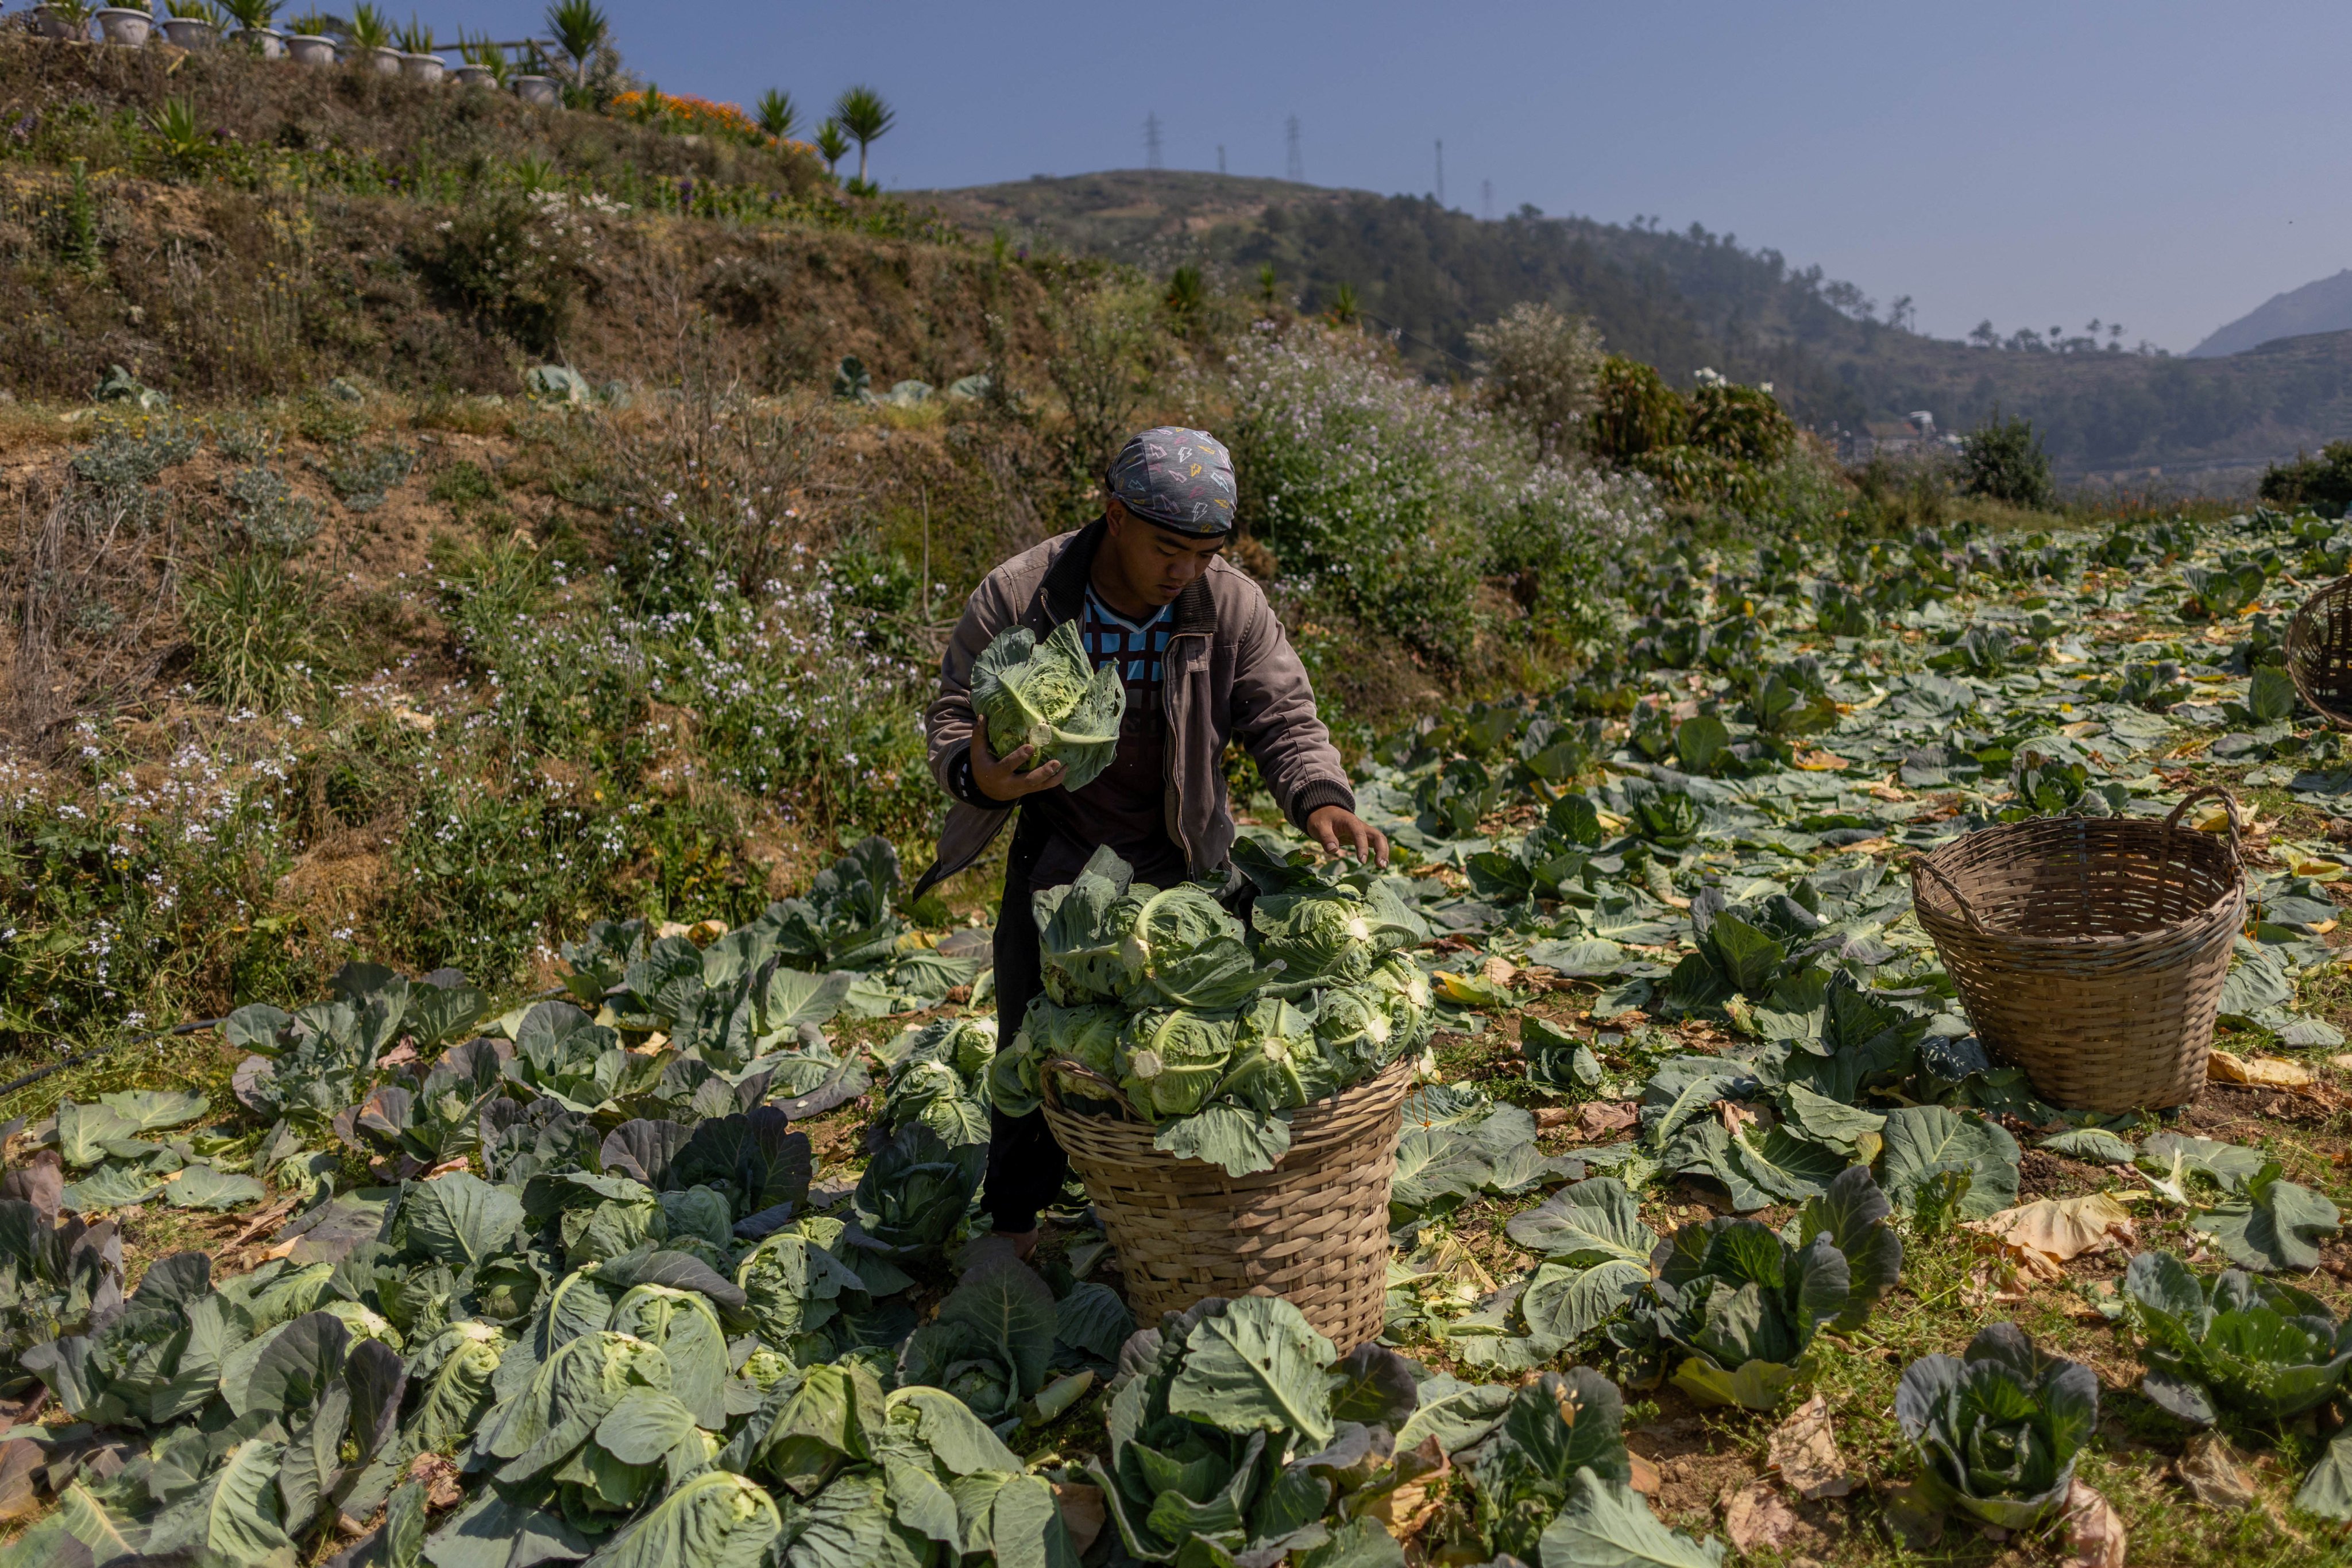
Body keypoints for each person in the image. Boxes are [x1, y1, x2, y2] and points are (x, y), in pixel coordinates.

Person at [912, 427, 1388, 1254]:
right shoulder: (1024, 594)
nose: (1186, 571)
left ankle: (1169, 1217)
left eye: (1206, 553)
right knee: (1033, 1041)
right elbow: (955, 714)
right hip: (1060, 861)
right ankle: (1017, 1223)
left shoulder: (1229, 605)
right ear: (1115, 517)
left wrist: (1319, 797)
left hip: (1181, 859)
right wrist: (980, 777)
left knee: (1193, 1051)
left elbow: (1282, 712)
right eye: (1171, 548)